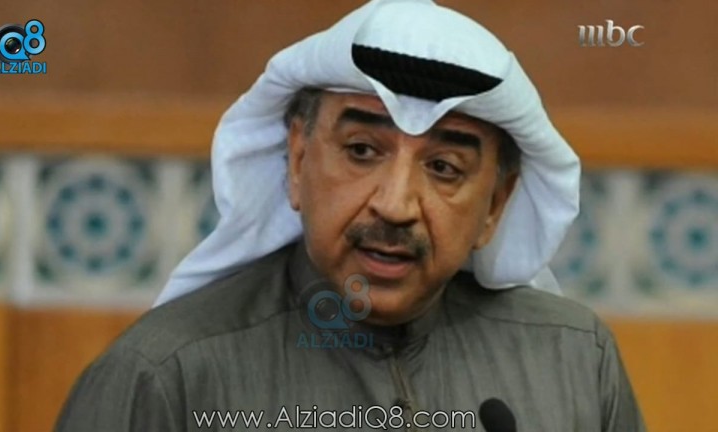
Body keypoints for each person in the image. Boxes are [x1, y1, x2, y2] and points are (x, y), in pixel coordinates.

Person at [56, 0, 646, 430]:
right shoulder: (166, 377)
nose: (395, 205)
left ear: (495, 204)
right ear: (296, 160)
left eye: (443, 167)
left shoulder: (574, 361)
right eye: (362, 151)